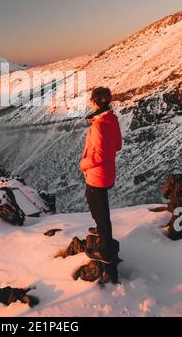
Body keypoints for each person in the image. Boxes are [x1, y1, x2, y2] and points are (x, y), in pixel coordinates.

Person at [80, 87, 122, 263]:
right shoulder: (111, 120)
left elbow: (99, 155)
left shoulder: (98, 125)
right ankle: (101, 230)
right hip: (107, 172)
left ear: (94, 101)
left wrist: (83, 164)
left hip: (97, 174)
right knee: (96, 202)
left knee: (100, 208)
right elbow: (117, 145)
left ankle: (105, 251)